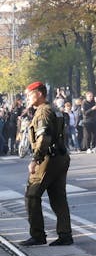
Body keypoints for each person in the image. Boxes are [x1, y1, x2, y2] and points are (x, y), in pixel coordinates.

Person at [20, 81, 71, 246]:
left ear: (39, 93)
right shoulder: (53, 110)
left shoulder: (43, 112)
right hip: (60, 157)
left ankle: (38, 235)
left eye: (29, 94)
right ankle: (65, 234)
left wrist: (35, 159)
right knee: (58, 197)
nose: (27, 98)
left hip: (48, 158)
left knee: (32, 194)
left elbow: (44, 137)